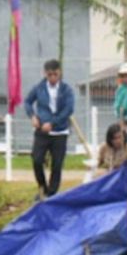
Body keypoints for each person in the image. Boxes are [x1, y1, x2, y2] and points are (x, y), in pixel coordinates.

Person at [24, 59, 74, 198]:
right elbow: (28, 102)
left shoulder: (66, 90)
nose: (52, 78)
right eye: (49, 74)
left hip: (60, 132)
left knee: (57, 164)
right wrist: (32, 116)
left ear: (60, 73)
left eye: (55, 74)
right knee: (37, 160)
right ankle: (42, 187)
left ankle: (51, 192)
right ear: (45, 73)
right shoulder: (39, 88)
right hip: (42, 131)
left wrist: (53, 123)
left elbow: (68, 109)